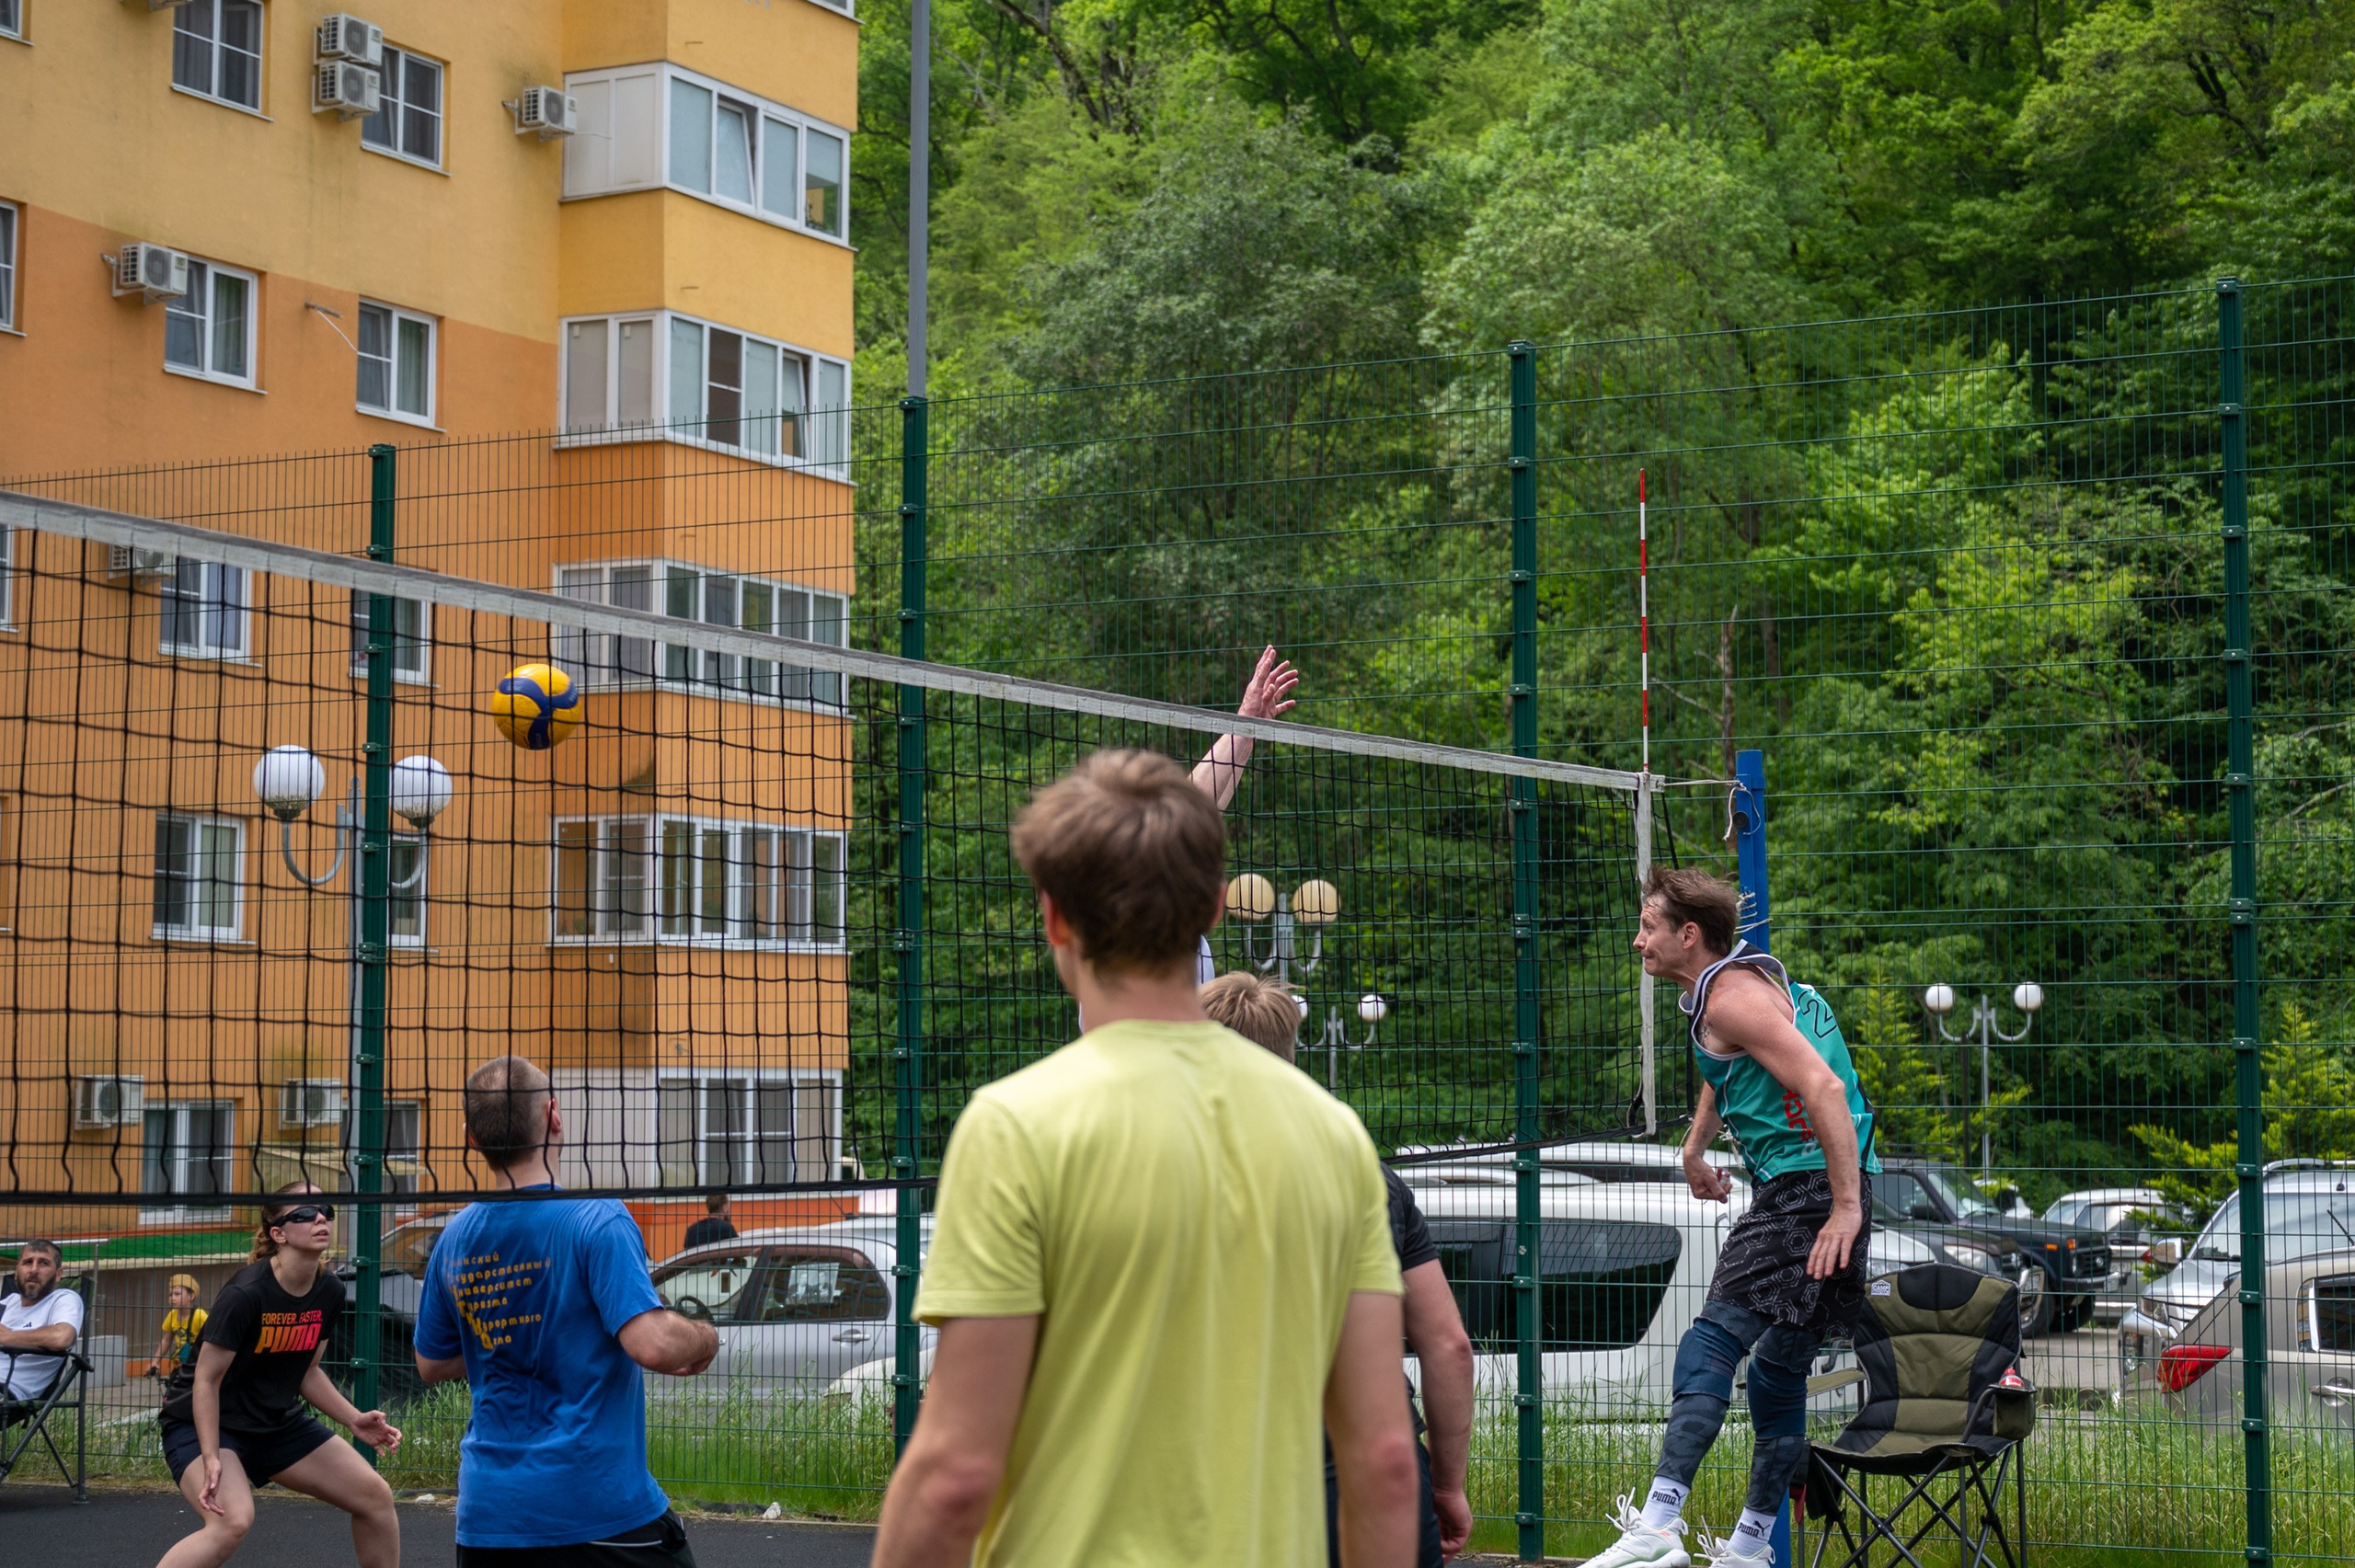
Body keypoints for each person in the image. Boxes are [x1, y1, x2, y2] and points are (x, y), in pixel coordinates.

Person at [872, 750, 1419, 1568]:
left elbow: (954, 1474)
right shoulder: (1334, 1135)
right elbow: (1382, 1459)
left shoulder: (1015, 1128)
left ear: (1054, 916)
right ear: (1208, 911)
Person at [1586, 868, 1879, 1568]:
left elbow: (1824, 1085)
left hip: (1810, 1190)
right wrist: (1694, 1145)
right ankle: (1750, 1549)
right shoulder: (1726, 992)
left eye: (1649, 926)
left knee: (1711, 1342)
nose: (1638, 940)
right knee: (1777, 1372)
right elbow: (1735, 1069)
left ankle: (1658, 1524)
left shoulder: (1731, 1000)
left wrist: (1841, 1206)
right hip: (1834, 1184)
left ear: (1689, 934)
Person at [1200, 970, 1477, 1567]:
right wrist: (1447, 1483)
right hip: (1371, 1461)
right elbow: (1449, 1343)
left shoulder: (1163, 1170)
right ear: (1289, 1052)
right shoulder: (1365, 1173)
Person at [414, 1055, 720, 1567]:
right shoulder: (597, 1217)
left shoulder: (455, 1238)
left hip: (490, 1519)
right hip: (594, 1509)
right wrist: (707, 1337)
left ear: (470, 1137)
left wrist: (509, 1334)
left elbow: (432, 1363)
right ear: (554, 1116)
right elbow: (654, 1344)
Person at [155, 1185, 402, 1568]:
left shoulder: (329, 1291)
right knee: (232, 1521)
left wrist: (354, 1420)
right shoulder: (246, 1293)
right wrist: (210, 1455)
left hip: (273, 1423)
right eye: (303, 1214)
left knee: (375, 1496)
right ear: (278, 1233)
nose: (320, 1218)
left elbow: (308, 1371)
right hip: (204, 1425)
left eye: (324, 1209)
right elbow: (206, 1381)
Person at [1189, 644, 1301, 985]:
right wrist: (1242, 722)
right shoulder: (1136, 934)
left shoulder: (1185, 943)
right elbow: (1186, 814)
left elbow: (1202, 811)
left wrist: (1247, 732)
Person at [1, 1240, 84, 1425]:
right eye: (27, 1262)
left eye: (44, 1263)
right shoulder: (8, 1303)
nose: (34, 1270)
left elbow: (62, 1337)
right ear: (17, 1272)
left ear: (58, 1274)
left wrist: (7, 1337)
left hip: (11, 1393)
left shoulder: (64, 1299)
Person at [151, 1274, 208, 1392]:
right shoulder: (172, 1315)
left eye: (177, 1294)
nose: (172, 1298)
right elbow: (166, 1340)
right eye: (170, 1294)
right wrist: (155, 1361)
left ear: (191, 1296)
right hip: (179, 1367)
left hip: (197, 1366)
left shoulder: (200, 1316)